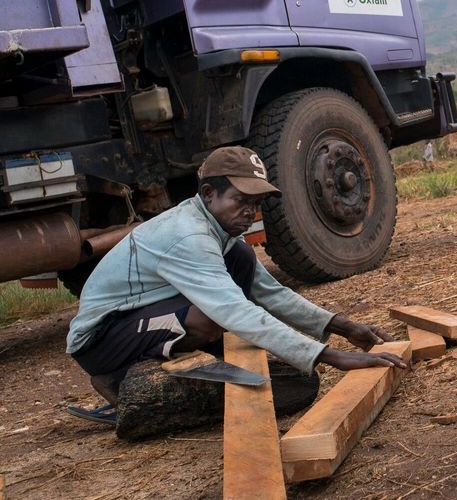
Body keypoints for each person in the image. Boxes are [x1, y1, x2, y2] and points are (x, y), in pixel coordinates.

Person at [66, 146, 406, 423]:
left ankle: (184, 357)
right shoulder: (188, 235)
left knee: (242, 260)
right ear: (209, 193)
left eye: (255, 204)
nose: (249, 212)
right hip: (102, 340)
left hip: (139, 317)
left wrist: (345, 328)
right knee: (209, 318)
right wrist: (333, 357)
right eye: (241, 201)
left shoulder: (221, 232)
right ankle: (120, 378)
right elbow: (234, 311)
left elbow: (271, 294)